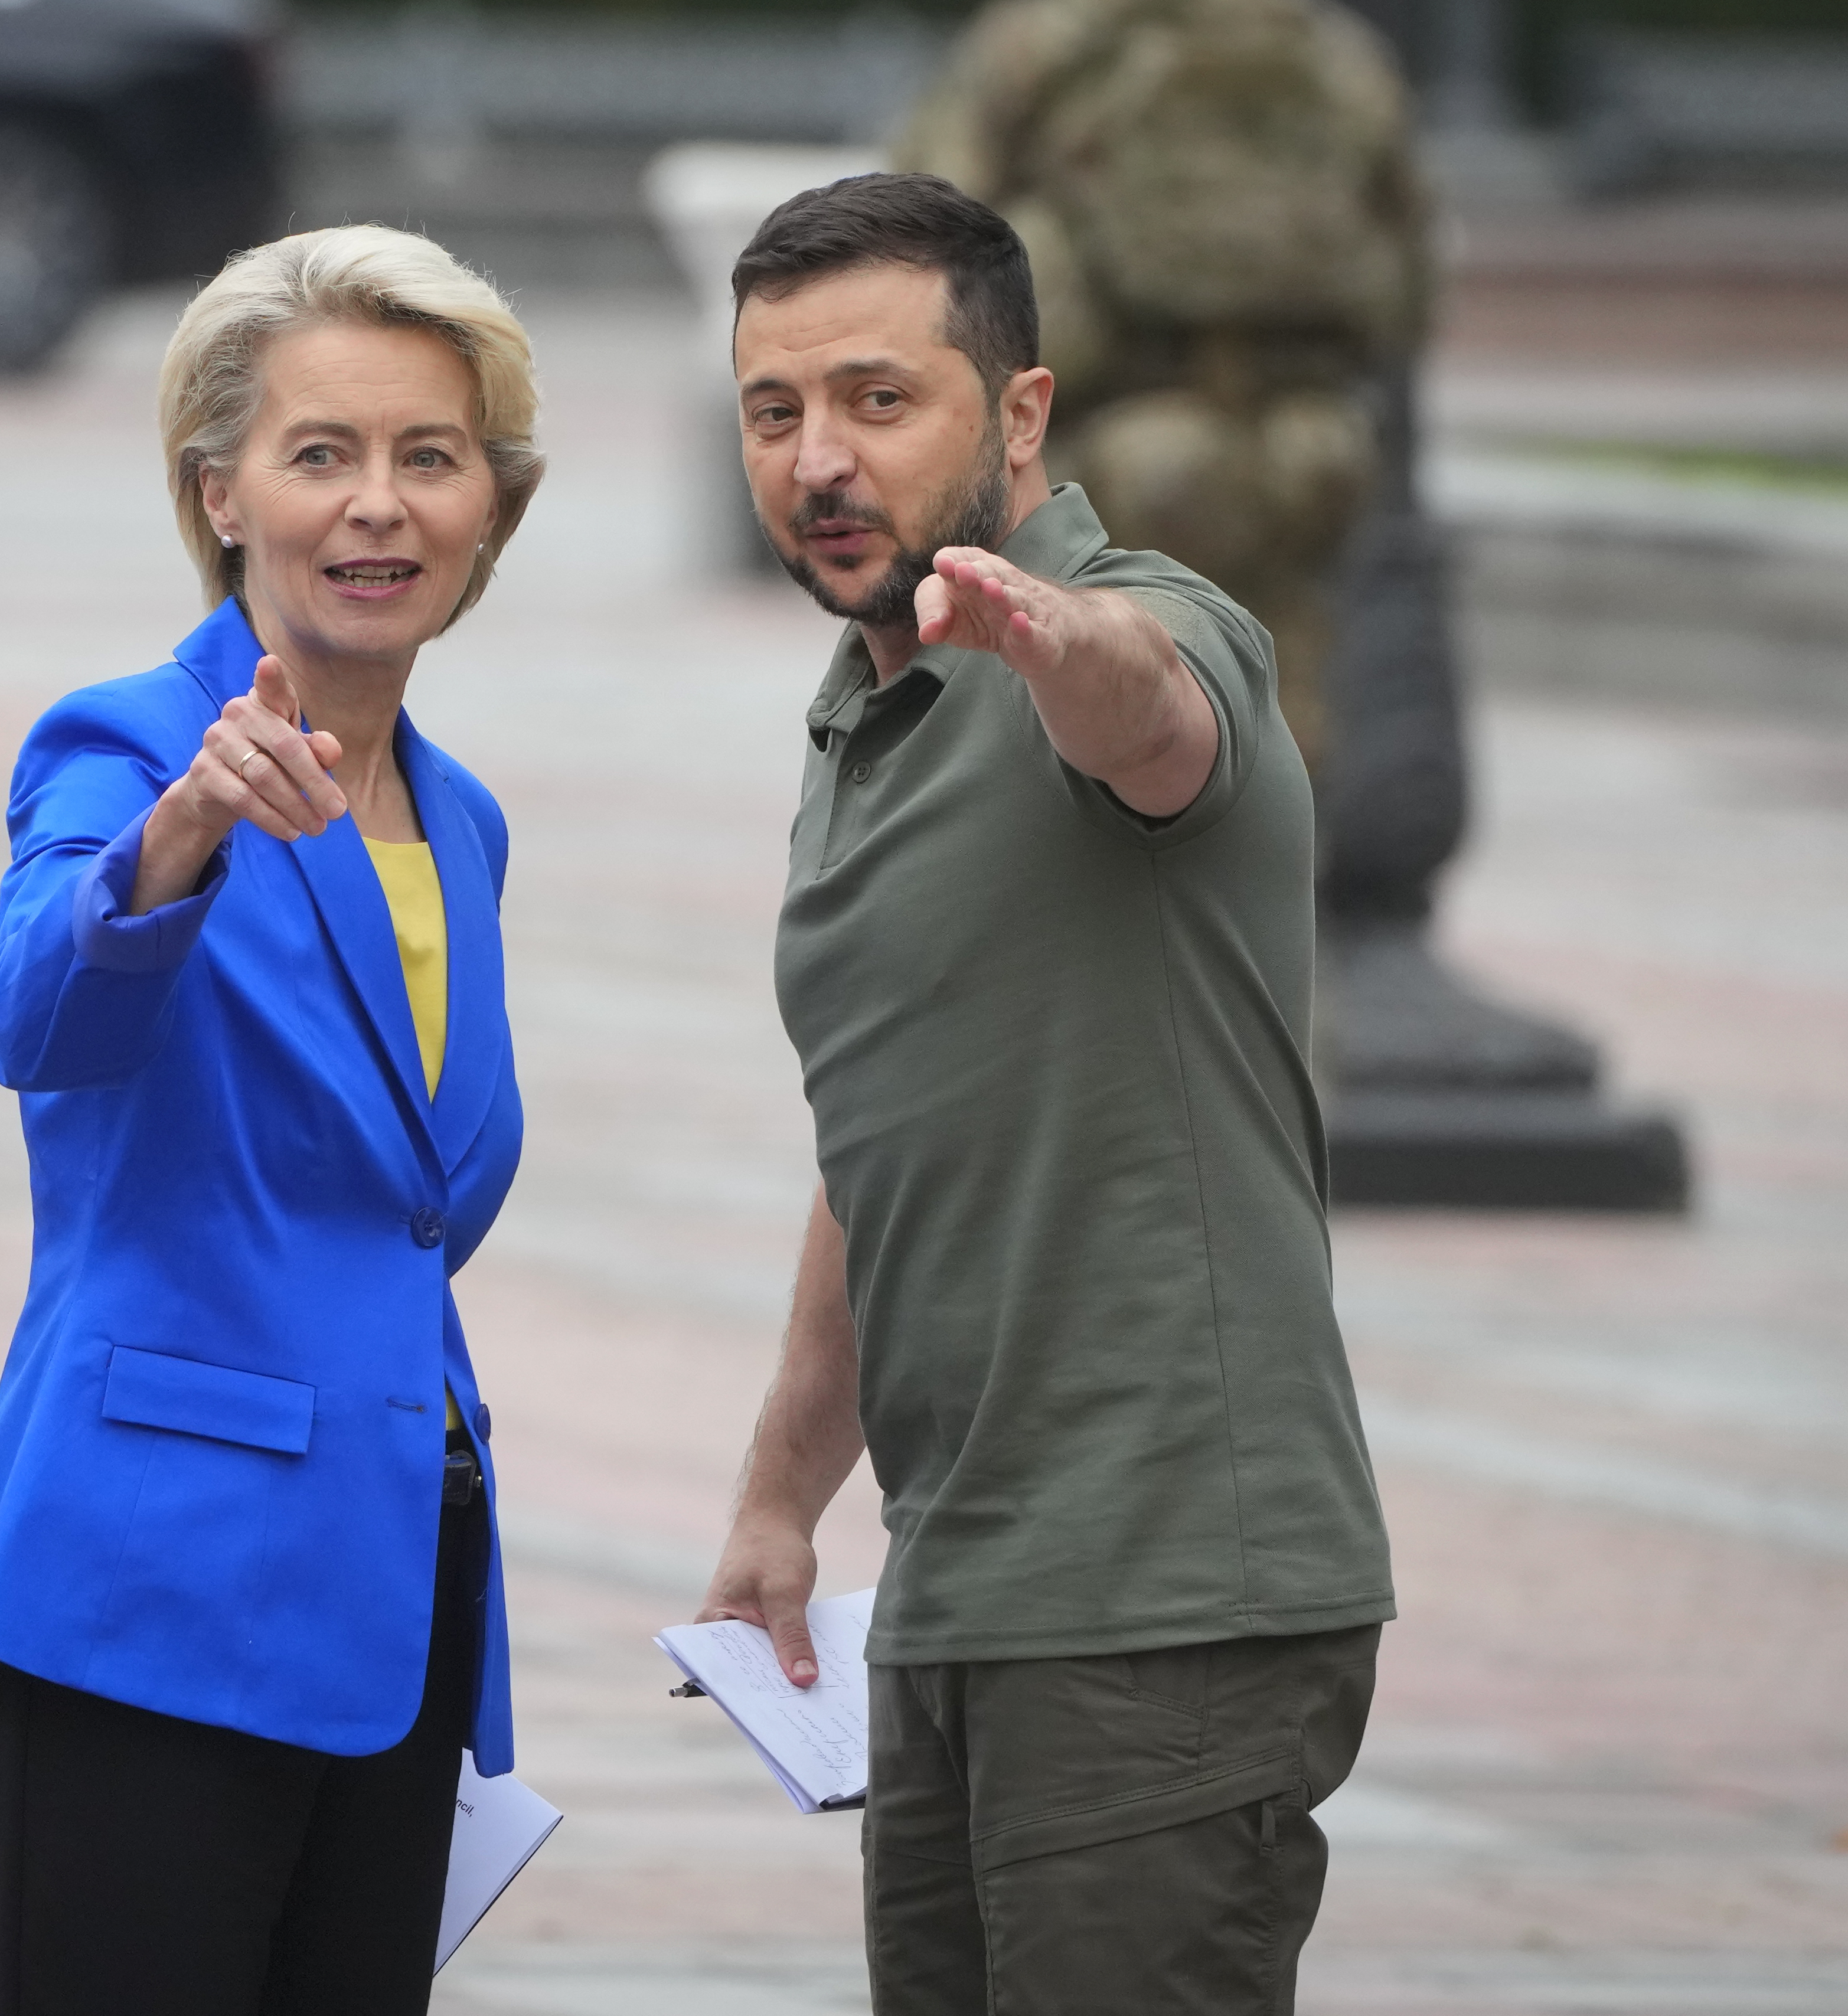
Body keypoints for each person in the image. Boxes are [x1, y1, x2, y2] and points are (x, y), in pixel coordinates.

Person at [694, 172, 1393, 2014]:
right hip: (959, 1595)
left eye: (873, 397)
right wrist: (782, 1495)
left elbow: (1150, 718)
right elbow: (890, 1125)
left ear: (1016, 414)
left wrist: (1047, 637)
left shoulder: (1140, 622)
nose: (815, 457)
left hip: (1164, 1601)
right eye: (772, 411)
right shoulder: (867, 720)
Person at [0, 224, 543, 2016]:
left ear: (489, 509)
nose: (378, 507)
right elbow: (33, 1014)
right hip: (142, 1610)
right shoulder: (125, 747)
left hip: (390, 1617)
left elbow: (411, 1210)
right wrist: (177, 836)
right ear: (220, 496)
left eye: (430, 457)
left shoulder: (464, 821)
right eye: (319, 454)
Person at [892, 0, 1431, 769]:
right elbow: (1409, 272)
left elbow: (925, 227)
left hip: (1119, 443)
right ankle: (1269, 880)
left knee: (1083, 709)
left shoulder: (1046, 43)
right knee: (1281, 711)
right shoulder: (1332, 49)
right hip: (1310, 447)